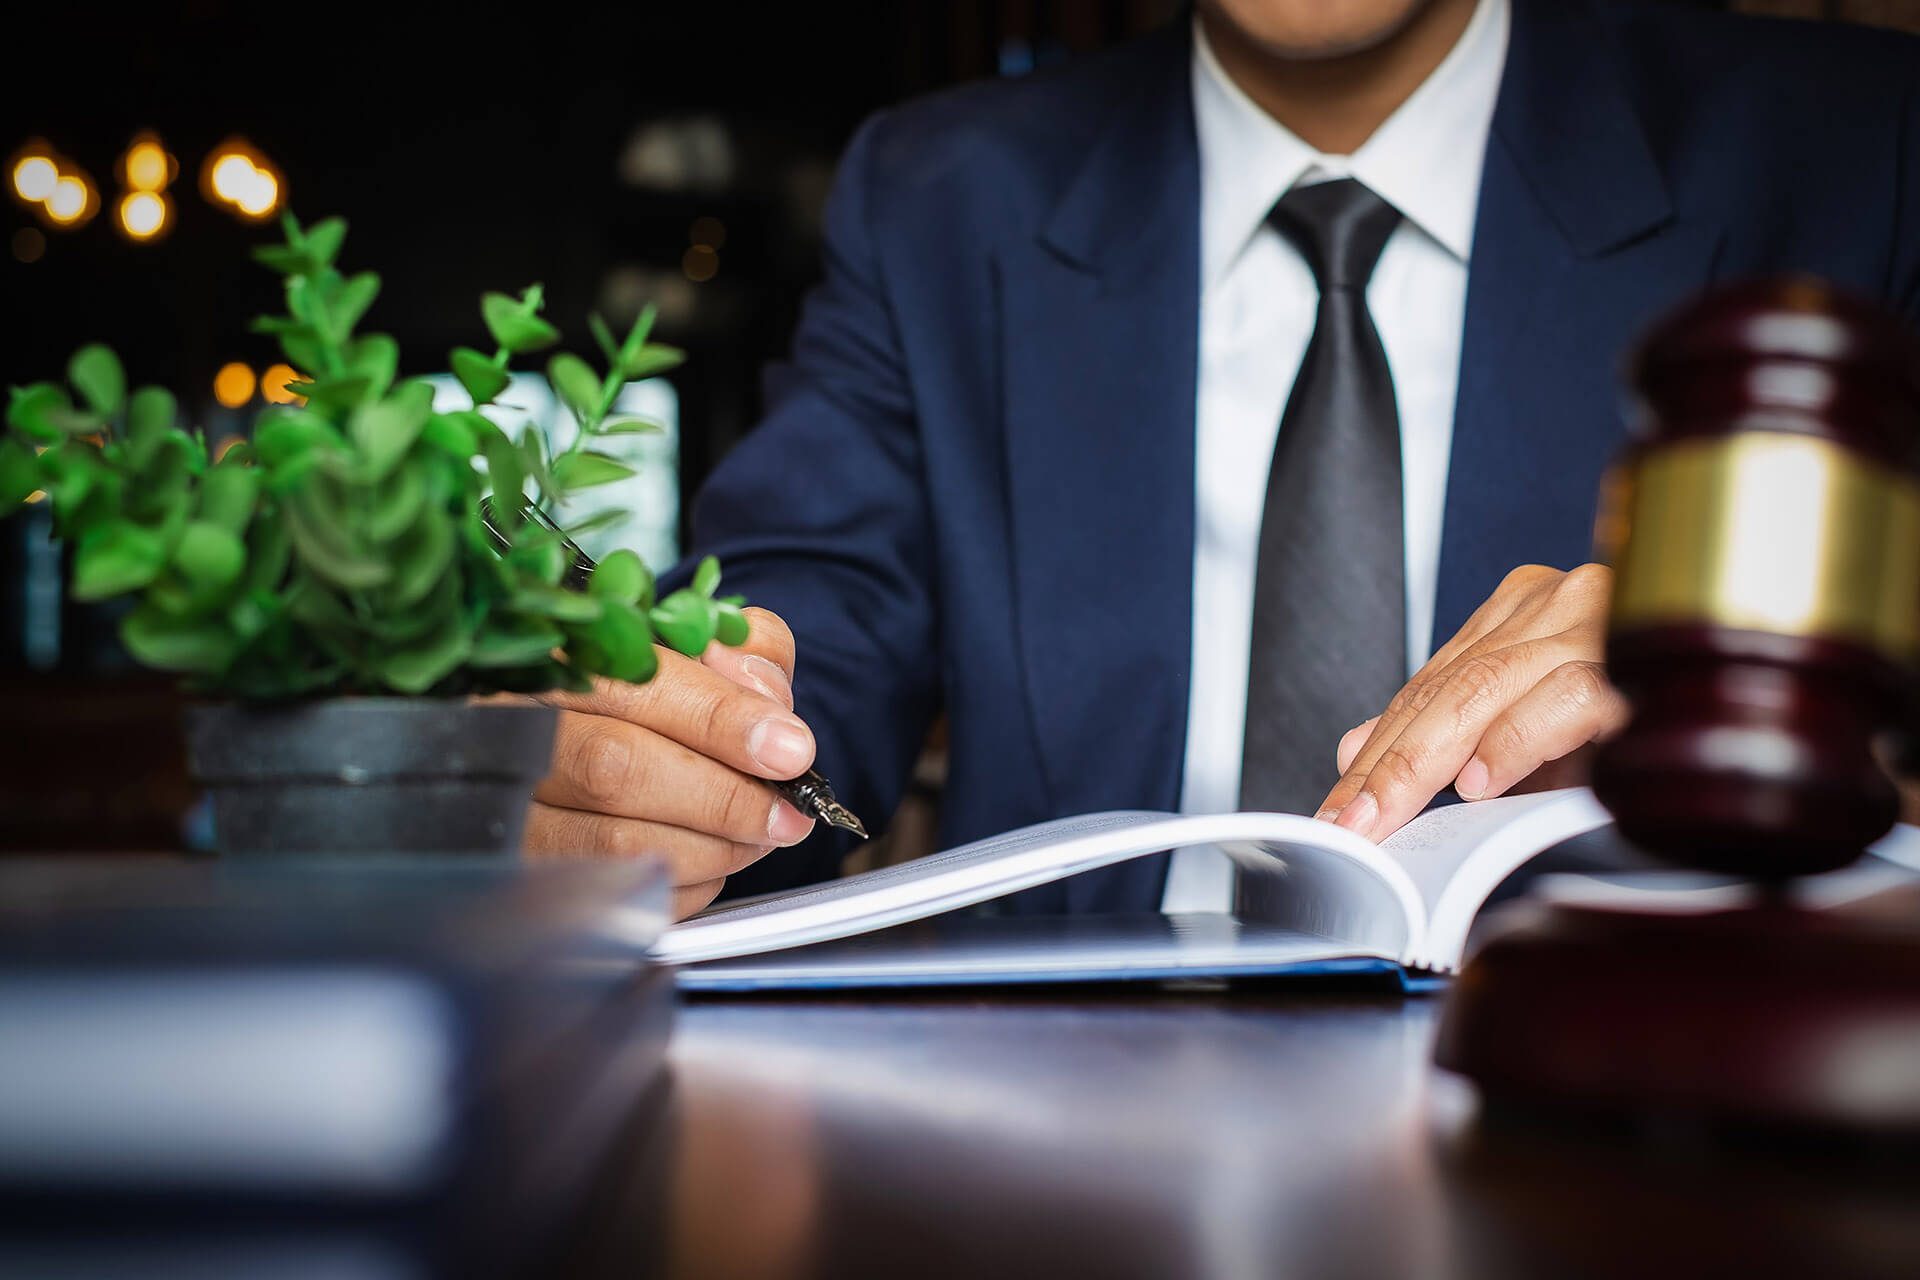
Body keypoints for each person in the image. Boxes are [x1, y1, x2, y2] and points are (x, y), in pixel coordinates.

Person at [527, 0, 1920, 919]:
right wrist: (669, 745)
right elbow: (798, 644)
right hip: (1042, 1150)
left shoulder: (1856, 144)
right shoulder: (939, 197)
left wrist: (1752, 650)